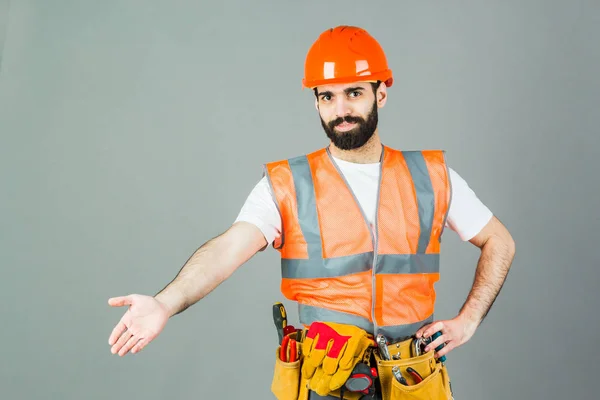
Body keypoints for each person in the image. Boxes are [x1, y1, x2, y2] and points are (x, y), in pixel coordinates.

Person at [107, 25, 515, 399]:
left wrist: (468, 321)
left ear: (381, 93)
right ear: (316, 102)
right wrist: (164, 303)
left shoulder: (431, 176)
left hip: (413, 379)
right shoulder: (287, 184)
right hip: (329, 382)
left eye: (354, 92)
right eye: (327, 96)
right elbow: (227, 249)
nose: (340, 109)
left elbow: (500, 241)